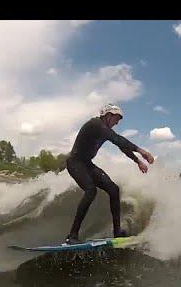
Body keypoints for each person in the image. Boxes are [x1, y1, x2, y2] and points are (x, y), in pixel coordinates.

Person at [65, 103, 155, 244]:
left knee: (114, 189)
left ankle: (117, 233)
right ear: (107, 116)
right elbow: (118, 139)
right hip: (75, 162)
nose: (118, 122)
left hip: (87, 164)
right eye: (116, 118)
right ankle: (72, 236)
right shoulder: (95, 124)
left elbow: (120, 145)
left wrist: (137, 161)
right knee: (91, 190)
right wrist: (142, 151)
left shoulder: (105, 130)